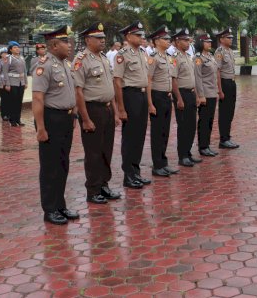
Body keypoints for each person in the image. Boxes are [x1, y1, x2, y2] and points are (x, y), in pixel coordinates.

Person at [31, 26, 79, 225]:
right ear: (53, 45)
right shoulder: (44, 66)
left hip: (66, 119)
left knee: (62, 164)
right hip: (51, 119)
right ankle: (50, 209)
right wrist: (41, 128)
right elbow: (37, 98)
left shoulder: (65, 64)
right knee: (50, 166)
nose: (69, 45)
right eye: (65, 42)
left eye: (68, 41)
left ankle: (60, 204)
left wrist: (74, 115)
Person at [73, 22, 122, 204]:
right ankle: (93, 190)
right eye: (98, 38)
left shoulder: (102, 57)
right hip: (92, 110)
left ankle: (104, 185)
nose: (103, 41)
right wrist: (85, 118)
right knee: (93, 152)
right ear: (88, 40)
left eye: (103, 38)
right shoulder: (81, 60)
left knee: (106, 150)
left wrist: (116, 113)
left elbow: (110, 88)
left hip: (107, 109)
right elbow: (78, 92)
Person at [113, 21, 152, 189]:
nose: (141, 38)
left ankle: (136, 172)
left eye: (141, 35)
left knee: (140, 136)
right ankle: (128, 175)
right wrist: (121, 108)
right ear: (128, 37)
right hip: (130, 95)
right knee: (130, 137)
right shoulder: (122, 55)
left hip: (142, 96)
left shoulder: (142, 53)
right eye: (137, 35)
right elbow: (117, 81)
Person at [147, 26, 179, 177]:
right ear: (156, 41)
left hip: (167, 97)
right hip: (157, 96)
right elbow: (149, 80)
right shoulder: (153, 58)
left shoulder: (168, 57)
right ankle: (157, 165)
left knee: (165, 131)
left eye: (168, 39)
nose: (168, 41)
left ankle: (163, 162)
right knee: (157, 132)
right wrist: (150, 103)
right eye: (165, 39)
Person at [171, 29, 201, 167]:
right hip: (182, 94)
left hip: (191, 93)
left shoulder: (188, 56)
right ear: (177, 42)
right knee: (183, 126)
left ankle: (188, 152)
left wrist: (196, 95)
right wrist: (179, 99)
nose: (188, 42)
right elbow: (174, 80)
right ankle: (182, 156)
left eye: (188, 40)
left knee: (191, 125)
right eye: (185, 40)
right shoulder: (175, 57)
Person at [194, 34, 219, 157]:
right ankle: (202, 146)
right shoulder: (198, 58)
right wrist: (201, 95)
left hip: (212, 93)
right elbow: (198, 78)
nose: (210, 43)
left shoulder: (210, 56)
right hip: (205, 94)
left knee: (209, 120)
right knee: (204, 121)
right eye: (206, 42)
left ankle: (207, 145)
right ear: (200, 43)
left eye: (210, 41)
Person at [215, 28, 239, 149]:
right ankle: (223, 139)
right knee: (224, 112)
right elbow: (217, 72)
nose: (231, 39)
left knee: (230, 111)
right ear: (221, 39)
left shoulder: (229, 51)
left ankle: (227, 136)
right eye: (228, 38)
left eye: (231, 37)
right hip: (224, 83)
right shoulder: (219, 52)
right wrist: (219, 90)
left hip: (232, 83)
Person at [3, 41, 28, 127]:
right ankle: (12, 120)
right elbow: (5, 72)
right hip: (12, 82)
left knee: (19, 102)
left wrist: (26, 82)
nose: (17, 49)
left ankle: (18, 119)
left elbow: (25, 71)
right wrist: (7, 84)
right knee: (13, 102)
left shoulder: (21, 58)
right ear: (10, 50)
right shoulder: (8, 58)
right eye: (15, 47)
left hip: (21, 82)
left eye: (18, 47)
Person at [0, 47, 9, 121]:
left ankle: (9, 113)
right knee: (4, 99)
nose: (6, 54)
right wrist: (0, 84)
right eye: (4, 53)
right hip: (3, 83)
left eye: (7, 53)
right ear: (0, 54)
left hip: (9, 83)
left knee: (9, 99)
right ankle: (4, 115)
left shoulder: (9, 61)